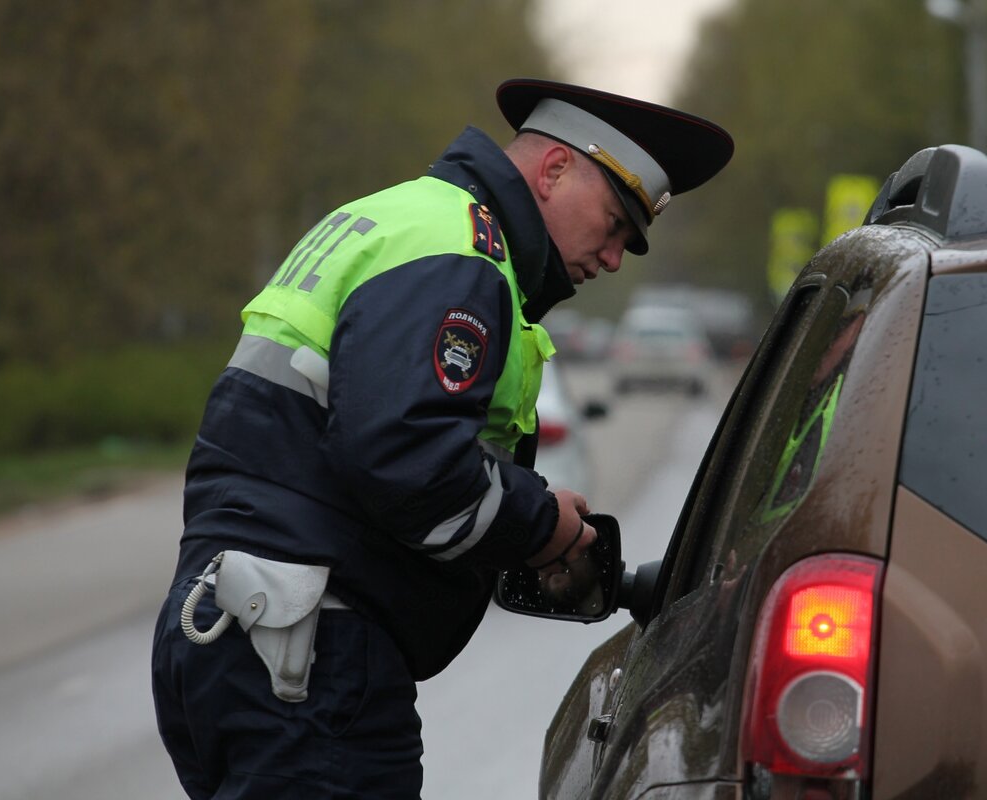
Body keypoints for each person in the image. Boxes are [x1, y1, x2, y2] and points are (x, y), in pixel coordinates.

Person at [151, 77, 733, 799]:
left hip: (231, 631)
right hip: (311, 658)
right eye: (614, 223)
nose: (612, 258)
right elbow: (406, 461)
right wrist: (542, 525)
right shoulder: (460, 252)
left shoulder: (391, 217)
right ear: (553, 172)